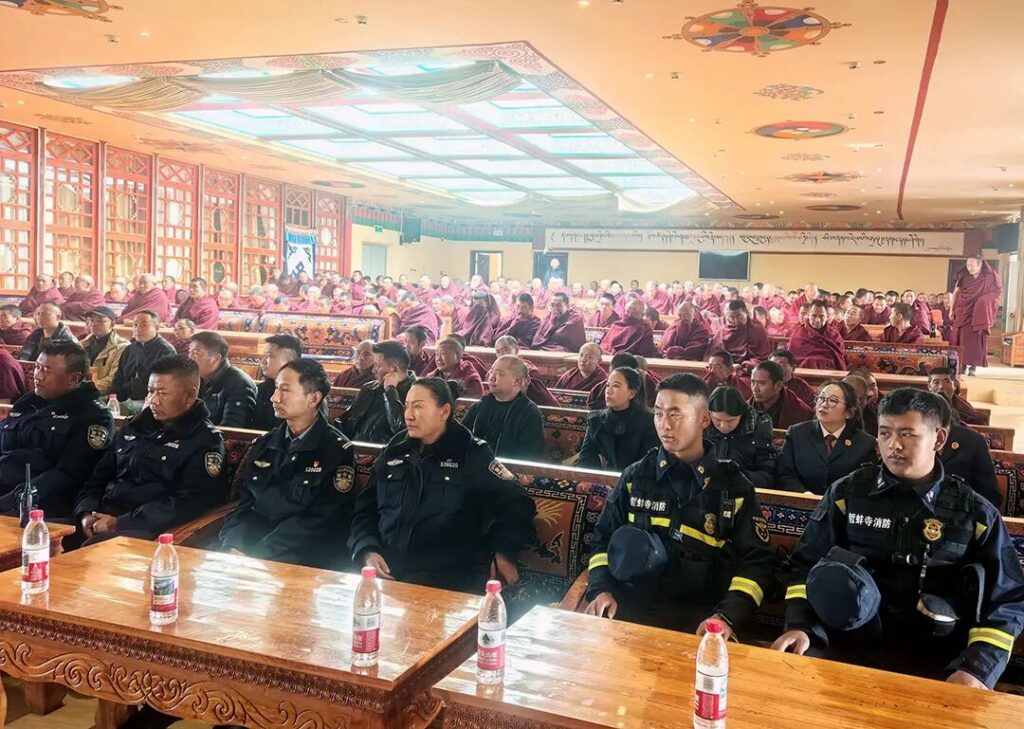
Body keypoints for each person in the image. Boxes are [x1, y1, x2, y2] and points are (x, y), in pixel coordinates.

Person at [772, 388, 1024, 690]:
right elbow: (806, 565)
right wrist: (801, 627)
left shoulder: (973, 514)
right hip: (847, 650)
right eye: (885, 433)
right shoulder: (847, 495)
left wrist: (977, 668)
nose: (893, 445)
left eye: (907, 434)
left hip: (938, 665)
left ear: (939, 439)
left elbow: (1008, 599)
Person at [584, 373, 775, 635]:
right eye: (659, 413)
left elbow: (757, 563)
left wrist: (727, 617)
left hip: (703, 622)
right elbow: (602, 541)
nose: (664, 425)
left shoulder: (733, 488)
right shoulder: (636, 477)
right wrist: (601, 589)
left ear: (704, 419)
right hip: (628, 612)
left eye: (675, 414)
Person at [348, 377, 536, 592]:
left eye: (418, 407)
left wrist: (504, 551)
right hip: (383, 569)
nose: (408, 415)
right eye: (407, 406)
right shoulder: (396, 448)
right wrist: (367, 549)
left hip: (443, 576)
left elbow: (518, 506)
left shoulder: (471, 453)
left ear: (444, 412)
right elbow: (365, 508)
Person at [73, 356, 227, 544]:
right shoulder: (135, 426)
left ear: (189, 396)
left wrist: (120, 523)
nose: (153, 401)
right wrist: (86, 512)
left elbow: (188, 503)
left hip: (149, 529)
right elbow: (98, 477)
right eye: (150, 391)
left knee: (90, 548)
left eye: (162, 393)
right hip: (101, 517)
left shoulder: (204, 440)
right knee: (47, 536)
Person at [219, 359, 356, 568]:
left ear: (313, 398)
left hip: (302, 555)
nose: (274, 397)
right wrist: (233, 545)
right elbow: (245, 504)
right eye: (276, 388)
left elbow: (322, 520)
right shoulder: (265, 444)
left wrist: (260, 553)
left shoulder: (336, 451)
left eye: (285, 390)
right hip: (250, 547)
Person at [0, 341, 113, 518]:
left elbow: (66, 476)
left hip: (41, 504)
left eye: (47, 370)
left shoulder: (92, 416)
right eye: (37, 367)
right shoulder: (31, 401)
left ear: (73, 379)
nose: (38, 375)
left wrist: (9, 501)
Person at [776, 380, 877, 495]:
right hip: (802, 504)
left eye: (833, 401)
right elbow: (784, 474)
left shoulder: (865, 444)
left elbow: (866, 485)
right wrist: (805, 495)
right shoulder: (797, 433)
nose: (823, 404)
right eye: (821, 398)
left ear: (849, 412)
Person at [462, 355, 546, 461]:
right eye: (491, 372)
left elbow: (528, 456)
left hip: (507, 472)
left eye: (500, 374)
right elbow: (461, 437)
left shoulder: (529, 412)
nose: (491, 377)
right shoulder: (480, 405)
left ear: (517, 381)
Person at [578, 368, 659, 471]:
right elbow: (587, 457)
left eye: (616, 386)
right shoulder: (596, 419)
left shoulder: (649, 422)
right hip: (602, 482)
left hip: (636, 481)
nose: (608, 391)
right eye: (607, 385)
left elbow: (649, 463)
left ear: (632, 394)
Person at [337, 340, 416, 444]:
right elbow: (346, 423)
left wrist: (390, 391)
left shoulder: (416, 393)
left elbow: (402, 431)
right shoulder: (370, 388)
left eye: (377, 366)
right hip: (355, 450)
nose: (373, 370)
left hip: (386, 455)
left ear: (394, 370)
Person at [704, 385, 777, 489]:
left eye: (730, 420)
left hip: (745, 492)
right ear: (709, 413)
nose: (723, 426)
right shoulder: (700, 425)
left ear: (742, 414)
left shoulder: (758, 427)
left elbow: (768, 476)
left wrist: (738, 478)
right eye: (717, 420)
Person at [108, 310, 176, 415]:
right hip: (126, 398)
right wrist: (113, 399)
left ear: (157, 328)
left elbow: (165, 386)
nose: (138, 329)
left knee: (123, 408)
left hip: (150, 401)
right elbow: (119, 377)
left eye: (144, 325)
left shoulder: (166, 351)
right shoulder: (129, 349)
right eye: (135, 325)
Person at [189, 331, 257, 428]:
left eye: (196, 353)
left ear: (216, 358)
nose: (190, 357)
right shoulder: (195, 378)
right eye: (190, 352)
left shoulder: (239, 383)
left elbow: (232, 428)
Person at [951, 256, 1002, 373]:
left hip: (980, 315)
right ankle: (962, 365)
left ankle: (973, 367)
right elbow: (955, 293)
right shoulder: (963, 276)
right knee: (962, 339)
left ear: (980, 265)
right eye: (968, 265)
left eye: (972, 265)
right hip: (963, 311)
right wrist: (951, 310)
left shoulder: (989, 277)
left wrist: (983, 302)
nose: (969, 268)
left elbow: (996, 293)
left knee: (976, 341)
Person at [252, 334, 301, 431]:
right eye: (264, 355)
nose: (263, 361)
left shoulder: (305, 391)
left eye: (269, 356)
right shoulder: (261, 389)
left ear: (290, 360)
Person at [493, 335, 558, 406]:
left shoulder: (529, 370)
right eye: (498, 351)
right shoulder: (493, 371)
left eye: (506, 350)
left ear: (516, 350)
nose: (502, 354)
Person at [748, 360, 813, 430]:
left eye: (761, 383)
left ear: (778, 386)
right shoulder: (746, 408)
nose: (755, 389)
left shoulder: (800, 411)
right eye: (753, 382)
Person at [787, 301, 847, 370]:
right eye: (814, 316)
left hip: (829, 374)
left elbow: (839, 356)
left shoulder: (834, 334)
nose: (817, 320)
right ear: (808, 316)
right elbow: (792, 356)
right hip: (803, 372)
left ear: (827, 317)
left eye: (821, 316)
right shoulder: (799, 332)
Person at [708, 301, 772, 366]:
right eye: (732, 317)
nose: (735, 320)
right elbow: (714, 353)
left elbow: (761, 356)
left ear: (746, 313)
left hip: (749, 367)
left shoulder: (757, 329)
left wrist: (749, 364)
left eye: (739, 316)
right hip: (727, 366)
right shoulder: (724, 330)